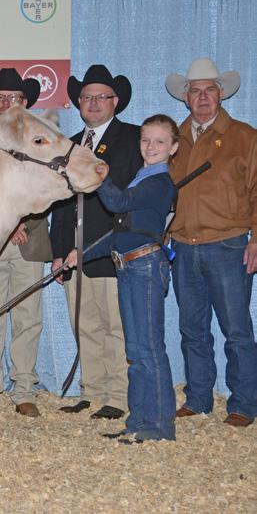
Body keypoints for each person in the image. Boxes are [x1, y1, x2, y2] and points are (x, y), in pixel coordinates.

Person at [66, 114, 180, 443]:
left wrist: (98, 174)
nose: (151, 146)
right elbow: (122, 233)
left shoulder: (159, 183)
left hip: (145, 267)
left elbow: (117, 203)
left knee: (149, 350)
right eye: (146, 140)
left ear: (173, 147)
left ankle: (159, 427)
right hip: (128, 265)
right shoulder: (141, 178)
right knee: (136, 350)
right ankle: (139, 421)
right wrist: (83, 253)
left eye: (160, 141)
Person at [165, 57, 257, 427]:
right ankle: (199, 398)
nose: (202, 97)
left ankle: (244, 404)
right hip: (183, 246)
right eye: (195, 91)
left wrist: (256, 238)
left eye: (209, 90)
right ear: (186, 97)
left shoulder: (244, 137)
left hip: (229, 244)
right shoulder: (174, 141)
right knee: (192, 330)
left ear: (220, 95)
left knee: (237, 330)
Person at [50, 65, 143, 420]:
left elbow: (133, 196)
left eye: (101, 97)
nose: (92, 103)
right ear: (78, 103)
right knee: (84, 324)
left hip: (111, 248)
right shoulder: (71, 144)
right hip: (73, 252)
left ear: (115, 102)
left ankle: (117, 396)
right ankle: (92, 391)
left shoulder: (132, 139)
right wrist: (57, 253)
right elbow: (60, 203)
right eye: (86, 97)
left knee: (114, 325)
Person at [0, 68, 51, 420]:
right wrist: (6, 225)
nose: (6, 104)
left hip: (28, 240)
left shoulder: (41, 141)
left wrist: (21, 221)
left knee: (28, 317)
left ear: (25, 103)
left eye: (13, 98)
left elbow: (48, 188)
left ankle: (24, 390)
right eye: (0, 98)